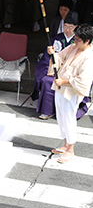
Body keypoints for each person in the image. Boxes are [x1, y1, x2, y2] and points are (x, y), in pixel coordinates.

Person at [48, 24, 93, 163]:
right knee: (61, 116)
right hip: (60, 87)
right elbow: (60, 57)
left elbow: (83, 81)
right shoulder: (74, 47)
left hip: (71, 91)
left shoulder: (89, 57)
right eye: (75, 38)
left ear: (88, 41)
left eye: (78, 40)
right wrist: (53, 53)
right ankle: (66, 144)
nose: (75, 41)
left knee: (68, 118)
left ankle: (71, 149)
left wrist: (64, 82)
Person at [32, 11, 89, 120]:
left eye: (70, 27)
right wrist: (50, 56)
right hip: (55, 70)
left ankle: (66, 112)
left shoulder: (79, 42)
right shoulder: (57, 39)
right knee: (46, 80)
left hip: (71, 73)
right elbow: (49, 58)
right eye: (65, 26)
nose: (67, 30)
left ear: (76, 27)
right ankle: (48, 111)